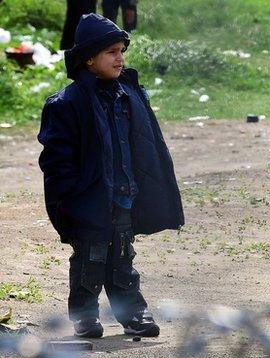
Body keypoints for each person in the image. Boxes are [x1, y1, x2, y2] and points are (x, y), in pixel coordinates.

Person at [38, 13, 184, 338]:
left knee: (122, 258)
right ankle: (85, 316)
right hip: (88, 198)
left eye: (122, 51)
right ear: (89, 59)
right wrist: (69, 199)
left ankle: (133, 314)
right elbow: (57, 162)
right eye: (111, 52)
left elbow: (147, 146)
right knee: (90, 259)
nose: (120, 58)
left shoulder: (129, 95)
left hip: (124, 194)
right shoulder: (66, 104)